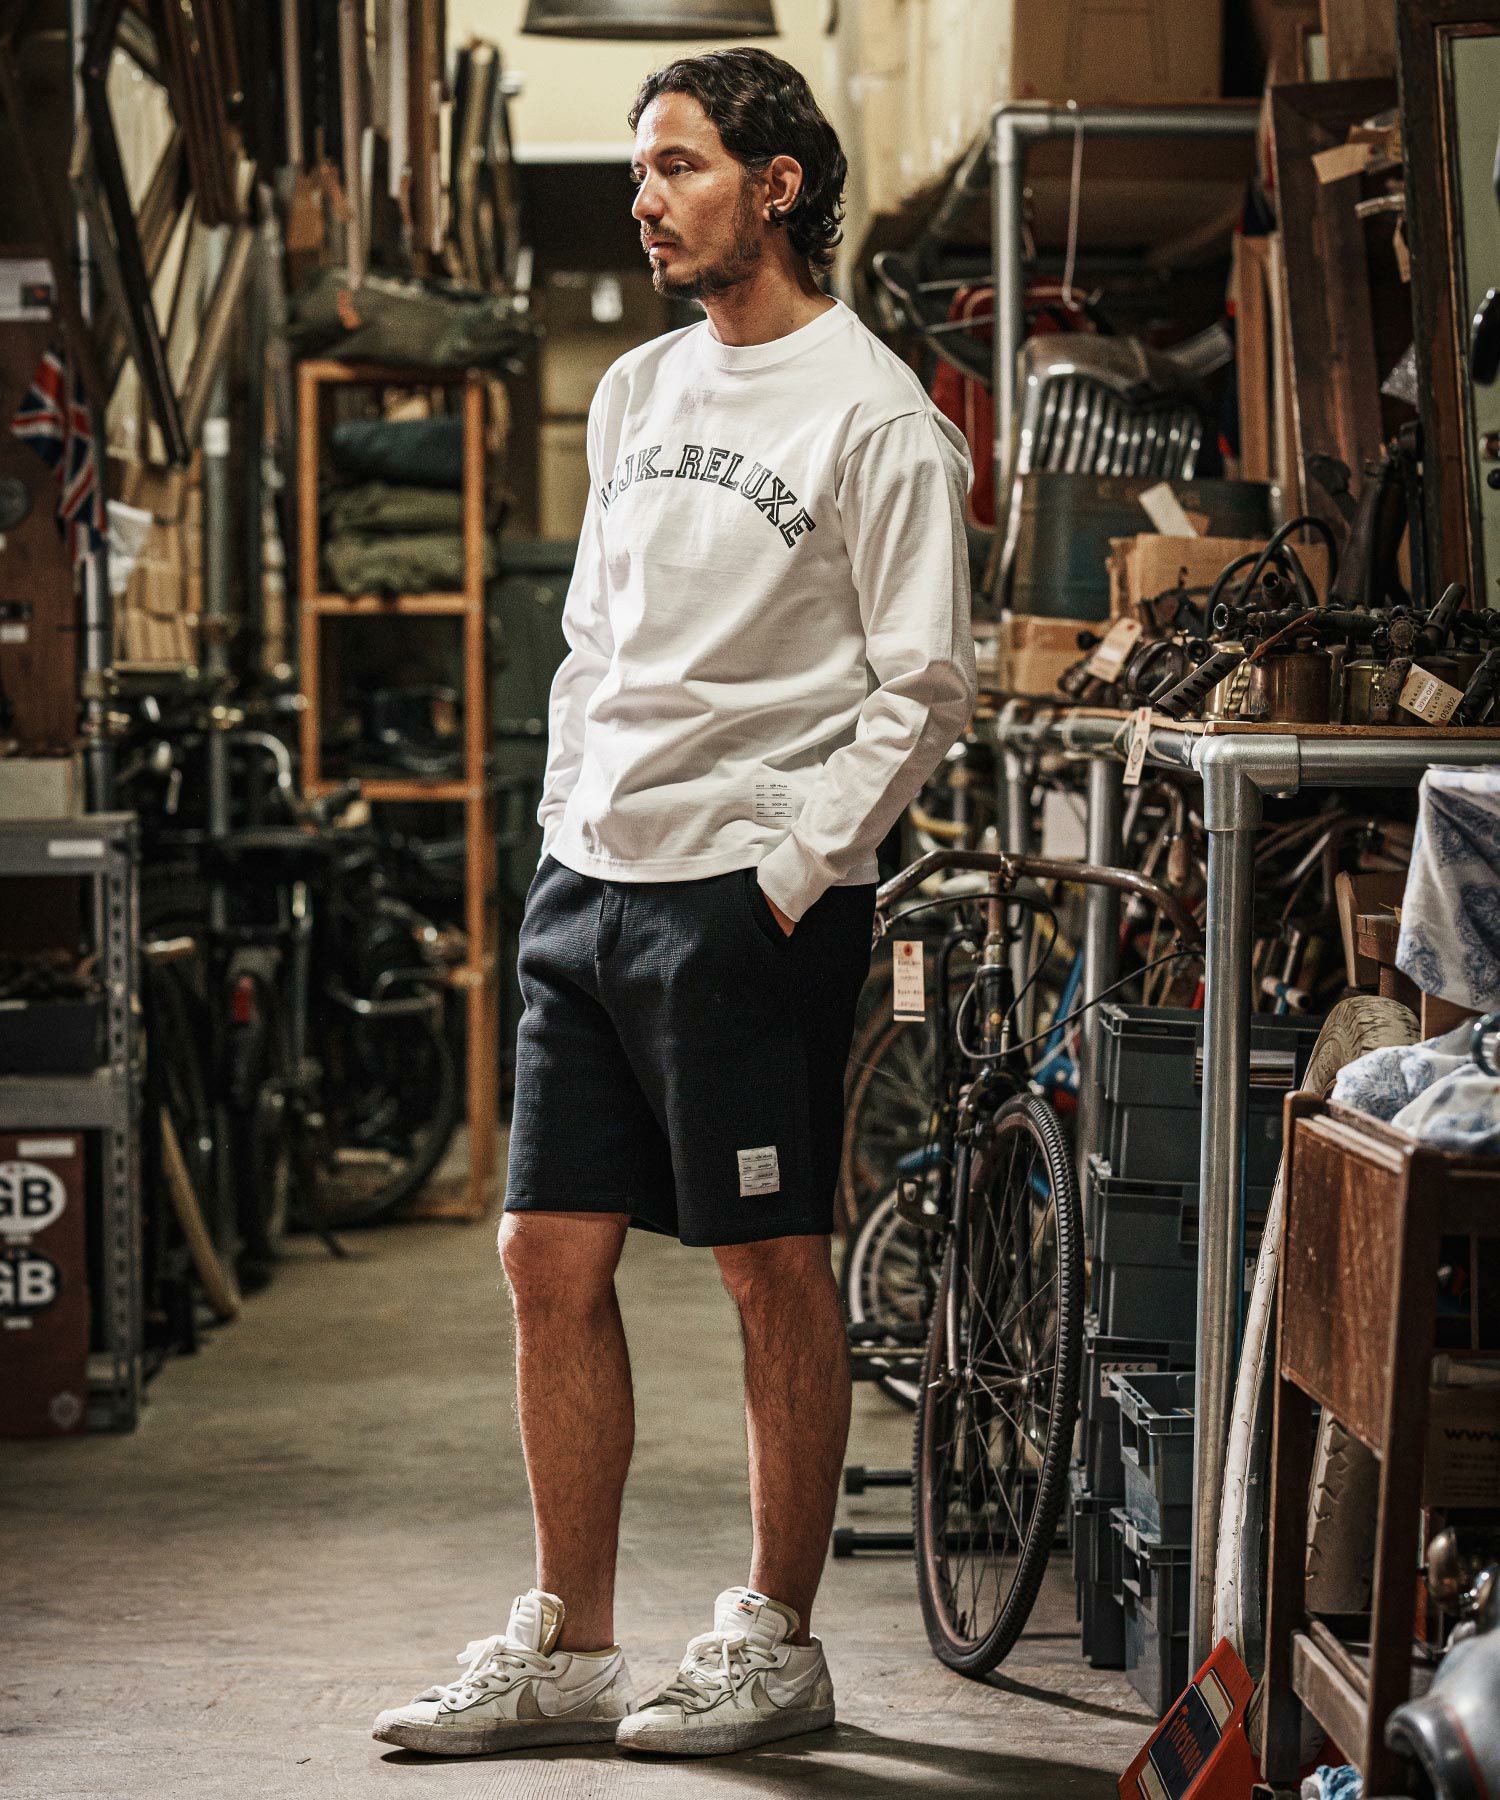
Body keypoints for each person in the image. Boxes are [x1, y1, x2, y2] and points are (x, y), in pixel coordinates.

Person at [374, 44, 975, 1762]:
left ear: (778, 186)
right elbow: (592, 641)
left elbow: (926, 685)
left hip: (743, 902)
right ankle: (571, 1650)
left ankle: (778, 1645)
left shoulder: (877, 415)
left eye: (679, 166)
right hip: (593, 883)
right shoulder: (638, 390)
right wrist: (565, 828)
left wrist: (789, 875)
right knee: (543, 1254)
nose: (644, 198)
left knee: (767, 1265)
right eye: (641, 170)